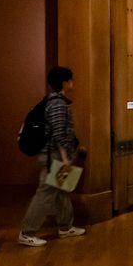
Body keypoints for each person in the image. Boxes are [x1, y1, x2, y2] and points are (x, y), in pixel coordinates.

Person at [19, 66, 87, 246]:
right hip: (55, 157)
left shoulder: (52, 100)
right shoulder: (57, 103)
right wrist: (65, 159)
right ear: (65, 82)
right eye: (71, 80)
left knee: (61, 191)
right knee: (46, 193)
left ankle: (65, 227)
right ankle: (28, 232)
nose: (73, 83)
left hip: (55, 156)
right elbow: (59, 133)